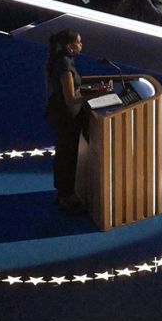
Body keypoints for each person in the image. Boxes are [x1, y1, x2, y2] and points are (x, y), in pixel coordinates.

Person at [43, 28, 111, 216]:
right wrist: (99, 93)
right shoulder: (65, 65)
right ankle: (66, 196)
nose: (81, 45)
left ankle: (64, 192)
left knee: (65, 153)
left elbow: (74, 89)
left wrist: (92, 90)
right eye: (79, 42)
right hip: (66, 117)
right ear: (70, 45)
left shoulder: (63, 60)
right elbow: (71, 98)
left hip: (62, 114)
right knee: (67, 155)